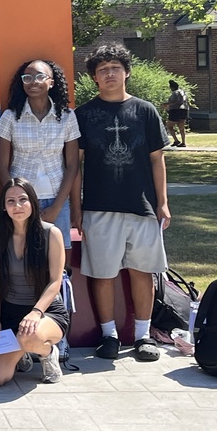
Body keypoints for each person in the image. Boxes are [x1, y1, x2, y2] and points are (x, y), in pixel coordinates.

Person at [72, 44, 171, 362]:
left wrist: (163, 202)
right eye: (102, 70)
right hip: (99, 207)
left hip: (141, 205)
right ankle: (109, 335)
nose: (109, 73)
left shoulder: (145, 111)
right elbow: (75, 166)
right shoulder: (83, 115)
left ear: (127, 72)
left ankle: (143, 336)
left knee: (143, 273)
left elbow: (157, 160)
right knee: (103, 274)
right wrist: (76, 208)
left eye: (115, 67)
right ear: (95, 78)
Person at [0, 178, 68, 387]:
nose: (17, 206)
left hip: (45, 311)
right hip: (11, 312)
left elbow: (55, 281)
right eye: (10, 201)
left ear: (33, 202)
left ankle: (47, 353)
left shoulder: (51, 233)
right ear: (4, 207)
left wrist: (36, 312)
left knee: (29, 336)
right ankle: (22, 350)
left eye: (23, 199)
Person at [0, 60, 79, 251]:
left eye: (40, 76)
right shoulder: (11, 116)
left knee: (61, 259)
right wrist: (17, 199)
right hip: (21, 201)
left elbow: (73, 165)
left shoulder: (67, 117)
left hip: (57, 198)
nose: (33, 82)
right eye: (28, 77)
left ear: (52, 82)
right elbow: (1, 166)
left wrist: (58, 206)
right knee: (23, 256)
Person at [163, 80, 189, 147]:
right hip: (184, 110)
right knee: (181, 127)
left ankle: (176, 141)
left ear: (172, 87)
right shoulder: (183, 92)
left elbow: (177, 101)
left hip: (176, 110)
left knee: (169, 126)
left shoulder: (175, 92)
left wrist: (167, 104)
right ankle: (183, 142)